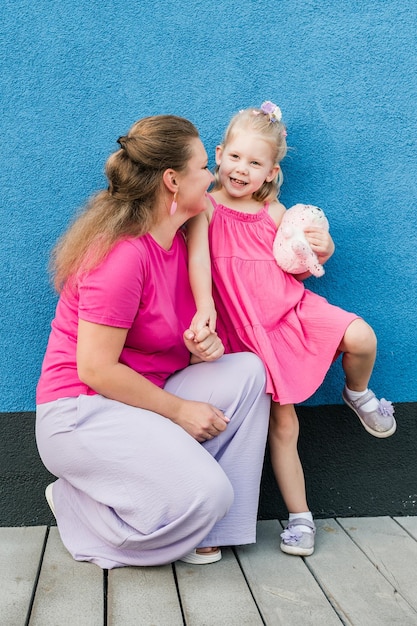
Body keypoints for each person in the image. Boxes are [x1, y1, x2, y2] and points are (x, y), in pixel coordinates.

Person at [35, 114, 271, 570]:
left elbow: (154, 340)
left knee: (249, 373)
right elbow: (96, 370)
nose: (215, 176)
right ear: (172, 181)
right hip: (82, 412)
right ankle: (78, 508)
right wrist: (181, 411)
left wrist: (202, 346)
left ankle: (209, 532)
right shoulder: (122, 257)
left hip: (140, 401)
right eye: (205, 167)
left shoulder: (178, 240)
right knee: (210, 493)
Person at [187, 101, 396, 557]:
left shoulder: (275, 213)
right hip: (243, 333)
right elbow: (196, 260)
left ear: (271, 171)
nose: (243, 169)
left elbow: (300, 262)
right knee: (283, 423)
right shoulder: (203, 208)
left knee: (361, 336)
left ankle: (358, 393)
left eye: (255, 163)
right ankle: (300, 517)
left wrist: (324, 247)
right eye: (236, 157)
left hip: (289, 316)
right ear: (218, 153)